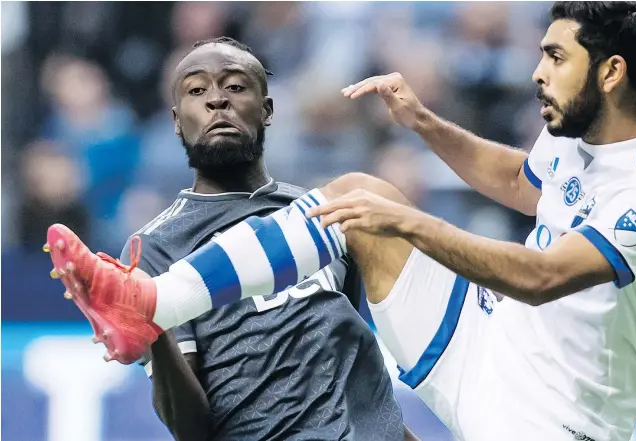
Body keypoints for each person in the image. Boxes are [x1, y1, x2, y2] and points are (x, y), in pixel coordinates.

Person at [46, 3, 636, 440]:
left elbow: (541, 275)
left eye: (555, 58)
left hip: (551, 416)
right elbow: (519, 181)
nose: (536, 72)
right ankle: (149, 300)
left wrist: (410, 222)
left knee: (377, 209)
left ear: (611, 72)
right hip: (486, 343)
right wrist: (424, 124)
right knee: (357, 196)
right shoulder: (579, 122)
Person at [49, 37, 411, 441]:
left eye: (235, 86)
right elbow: (190, 429)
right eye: (197, 90)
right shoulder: (154, 247)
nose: (216, 100)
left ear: (267, 110)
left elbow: (355, 366)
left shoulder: (321, 214)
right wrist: (154, 325)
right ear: (175, 119)